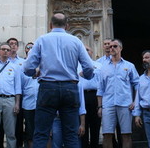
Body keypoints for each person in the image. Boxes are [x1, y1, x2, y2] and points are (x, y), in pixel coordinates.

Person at [24, 12, 94, 148]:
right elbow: (89, 66)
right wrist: (87, 76)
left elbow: (27, 67)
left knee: (41, 133)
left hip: (48, 88)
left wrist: (35, 73)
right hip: (70, 88)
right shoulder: (76, 41)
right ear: (67, 26)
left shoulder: (42, 40)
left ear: (50, 25)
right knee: (71, 134)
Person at [97, 38, 139, 148]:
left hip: (125, 104)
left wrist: (135, 102)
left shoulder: (129, 66)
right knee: (107, 134)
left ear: (120, 48)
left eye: (115, 46)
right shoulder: (104, 67)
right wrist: (100, 106)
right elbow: (100, 88)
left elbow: (137, 85)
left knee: (126, 134)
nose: (111, 48)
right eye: (110, 46)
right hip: (108, 104)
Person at [79, 46, 102, 148]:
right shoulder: (76, 66)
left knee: (95, 125)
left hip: (95, 96)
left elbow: (101, 83)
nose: (86, 52)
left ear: (92, 52)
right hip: (81, 96)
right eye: (83, 50)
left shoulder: (99, 65)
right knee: (82, 124)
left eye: (88, 49)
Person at [51, 84, 86, 148]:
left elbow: (82, 106)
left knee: (74, 143)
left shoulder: (78, 84)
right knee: (56, 144)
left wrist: (82, 124)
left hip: (73, 119)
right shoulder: (54, 82)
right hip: (57, 118)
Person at [21, 71, 39, 148]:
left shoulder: (45, 66)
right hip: (28, 105)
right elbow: (20, 87)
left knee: (45, 131)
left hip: (42, 104)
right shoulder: (24, 69)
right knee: (30, 132)